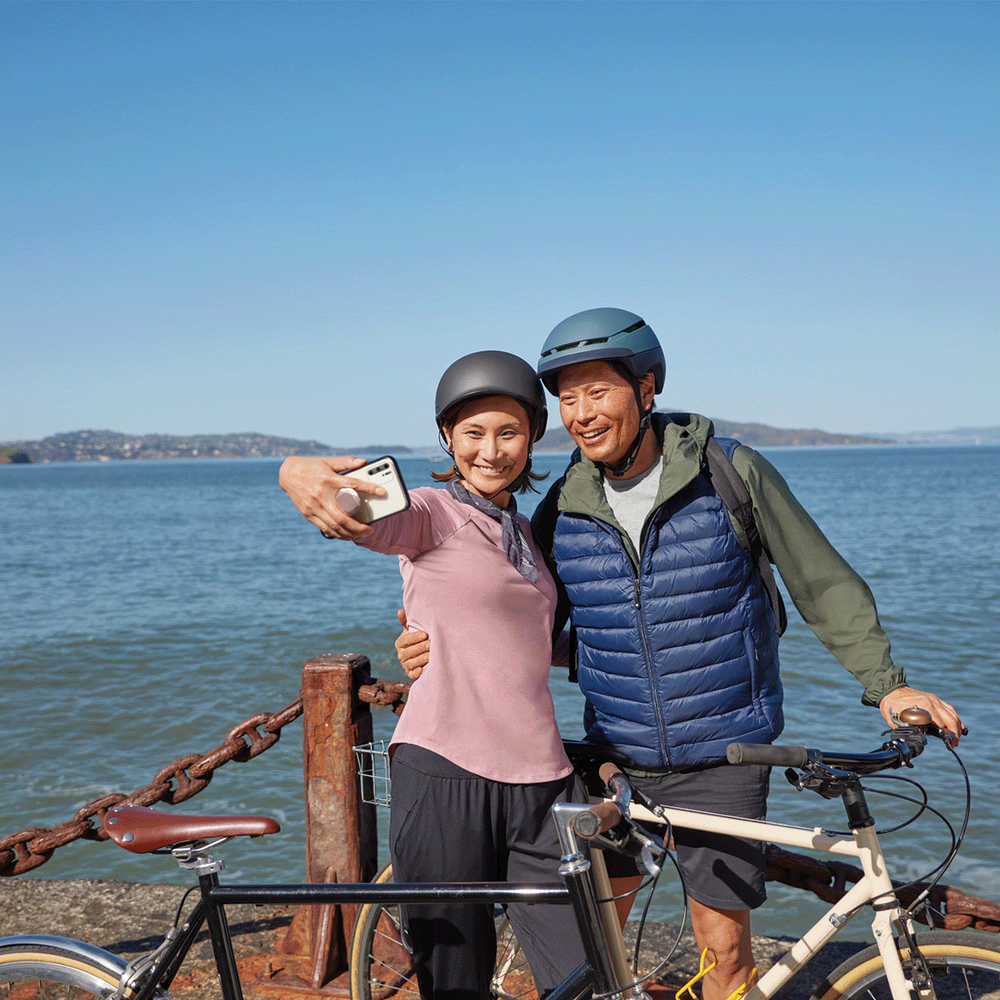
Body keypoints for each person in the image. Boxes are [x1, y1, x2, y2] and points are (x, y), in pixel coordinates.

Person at [385, 309, 964, 1000]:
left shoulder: (728, 472)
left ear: (646, 389)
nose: (582, 413)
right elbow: (524, 615)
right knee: (593, 960)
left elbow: (821, 582)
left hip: (722, 758)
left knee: (725, 956)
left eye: (598, 391)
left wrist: (888, 684)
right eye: (567, 397)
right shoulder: (563, 504)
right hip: (613, 759)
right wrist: (434, 640)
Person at [278, 351, 585, 1000]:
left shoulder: (527, 535)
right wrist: (294, 471)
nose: (491, 451)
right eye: (473, 433)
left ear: (533, 437)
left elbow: (525, 641)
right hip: (445, 770)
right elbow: (356, 508)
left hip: (542, 781)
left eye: (509, 432)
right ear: (447, 436)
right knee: (454, 987)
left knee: (583, 977)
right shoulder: (430, 514)